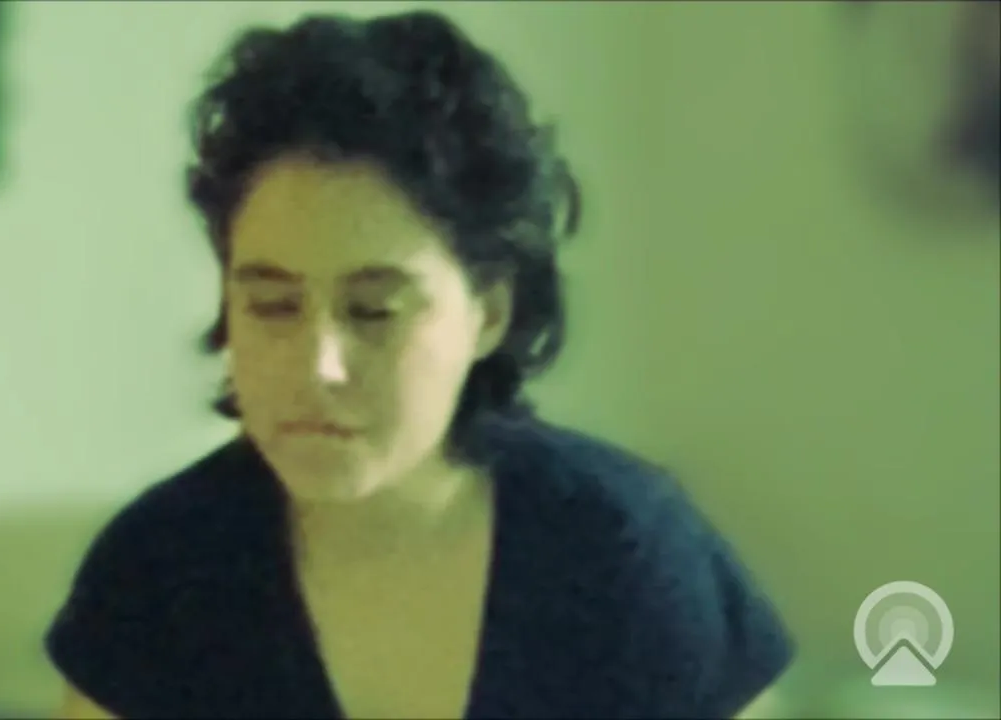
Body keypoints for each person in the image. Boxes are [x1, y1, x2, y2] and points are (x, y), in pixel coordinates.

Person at [46, 11, 794, 719]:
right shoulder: (159, 572)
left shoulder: (621, 551)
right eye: (272, 306)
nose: (319, 366)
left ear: (488, 313)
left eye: (373, 311)